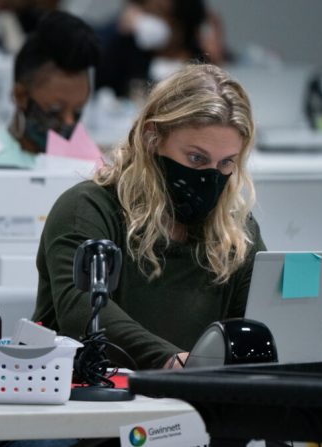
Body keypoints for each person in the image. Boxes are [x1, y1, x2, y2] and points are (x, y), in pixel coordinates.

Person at [33, 63, 265, 370]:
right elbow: (83, 311)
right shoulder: (87, 209)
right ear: (151, 138)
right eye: (196, 158)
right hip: (98, 402)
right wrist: (176, 363)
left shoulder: (235, 232)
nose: (210, 176)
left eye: (225, 163)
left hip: (201, 403)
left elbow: (259, 322)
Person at [0, 10, 100, 168]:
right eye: (55, 110)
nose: (69, 122)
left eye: (77, 111)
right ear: (20, 96)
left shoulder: (89, 169)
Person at [96, 0, 226, 97]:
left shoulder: (201, 63)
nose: (150, 20)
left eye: (160, 13)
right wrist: (117, 29)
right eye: (149, 12)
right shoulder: (130, 52)